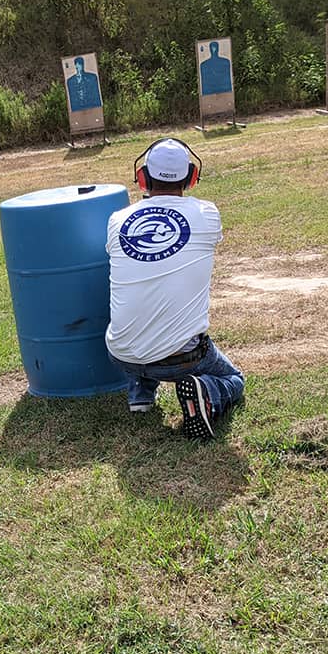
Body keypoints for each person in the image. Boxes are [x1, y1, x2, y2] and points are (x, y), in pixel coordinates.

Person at [105, 139, 245, 439]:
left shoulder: (117, 220)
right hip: (180, 361)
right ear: (192, 177)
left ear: (142, 178)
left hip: (121, 355)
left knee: (141, 300)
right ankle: (207, 391)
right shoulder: (207, 214)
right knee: (234, 379)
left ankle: (140, 395)